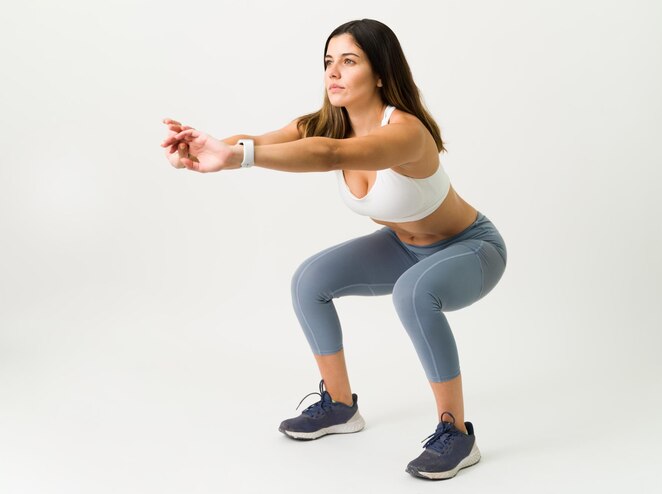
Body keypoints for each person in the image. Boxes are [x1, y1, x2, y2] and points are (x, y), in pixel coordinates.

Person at [160, 18, 507, 480]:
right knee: (310, 280)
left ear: (381, 72)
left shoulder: (406, 132)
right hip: (405, 247)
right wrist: (201, 148)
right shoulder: (326, 123)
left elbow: (330, 155)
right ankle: (340, 407)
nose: (333, 73)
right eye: (328, 62)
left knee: (411, 293)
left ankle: (458, 435)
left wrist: (236, 157)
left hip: (471, 249)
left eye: (349, 61)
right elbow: (261, 141)